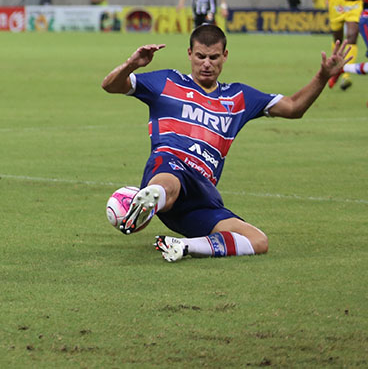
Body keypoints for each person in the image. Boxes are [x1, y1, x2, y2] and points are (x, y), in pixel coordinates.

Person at [101, 24, 347, 262]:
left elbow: (294, 108)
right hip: (170, 167)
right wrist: (132, 64)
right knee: (169, 175)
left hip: (201, 195)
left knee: (257, 240)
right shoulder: (166, 82)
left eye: (214, 57)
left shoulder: (239, 96)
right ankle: (152, 197)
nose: (206, 63)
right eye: (200, 56)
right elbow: (110, 85)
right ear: (189, 54)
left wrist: (323, 75)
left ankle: (183, 246)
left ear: (225, 56)